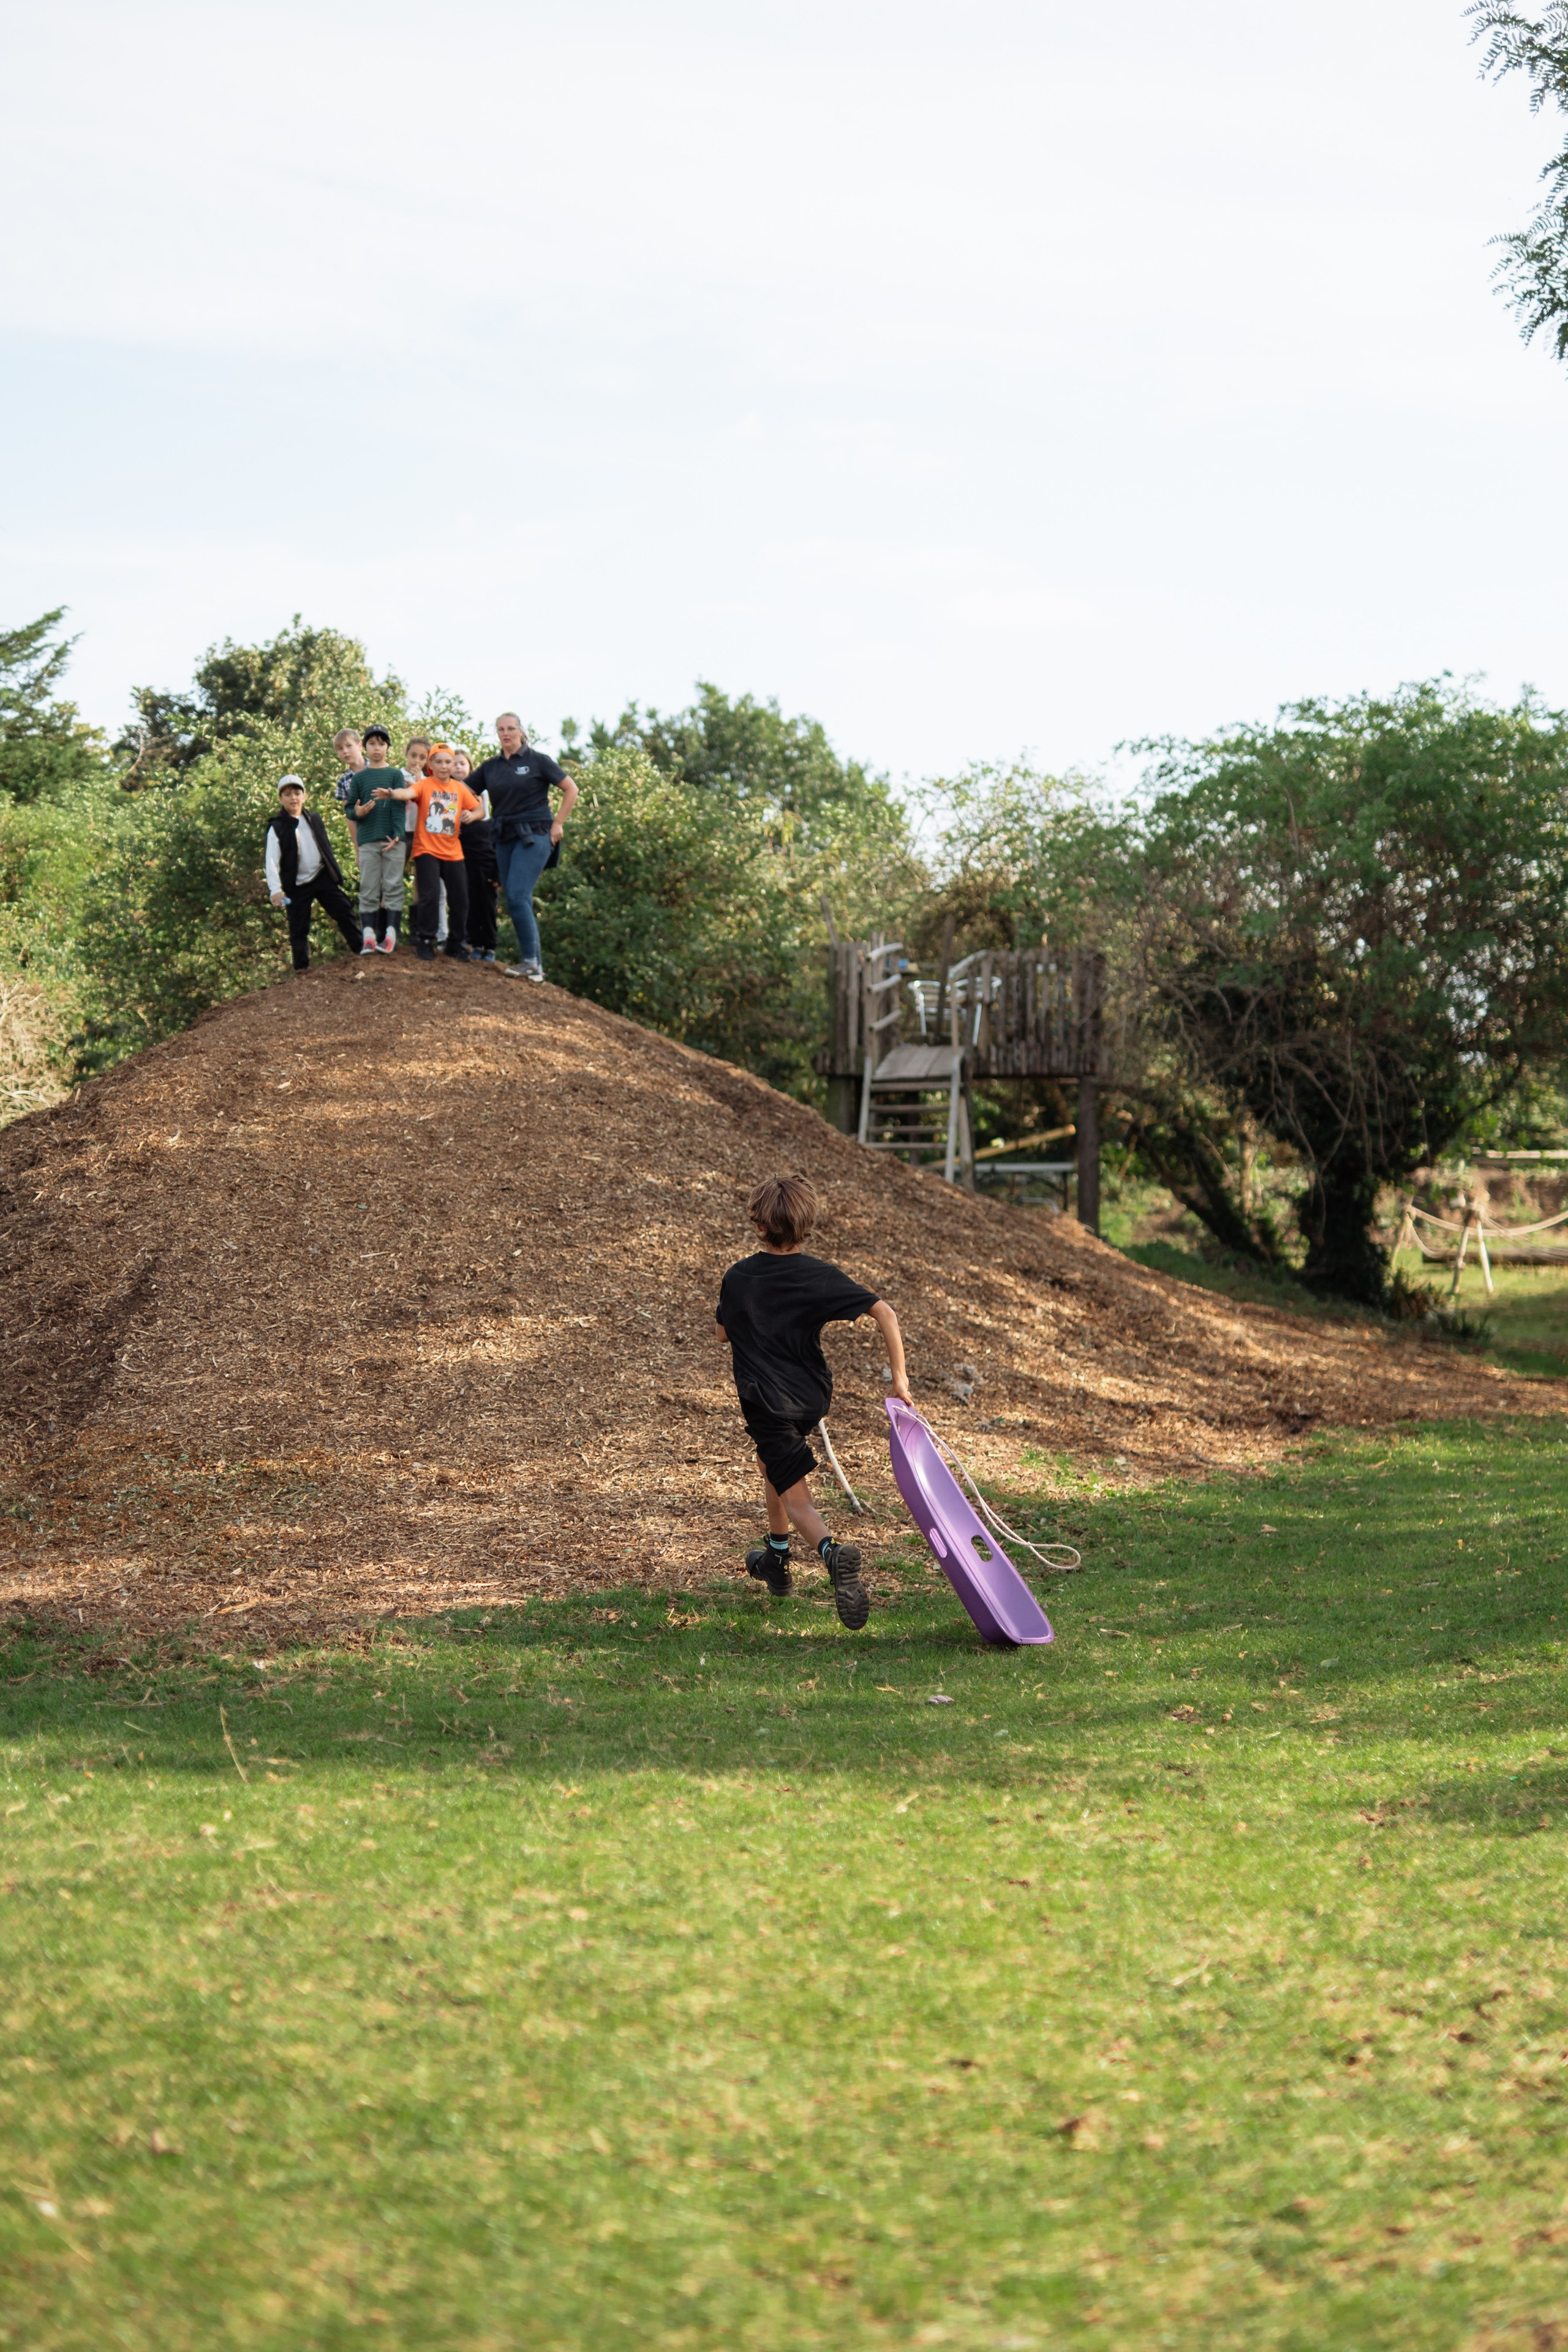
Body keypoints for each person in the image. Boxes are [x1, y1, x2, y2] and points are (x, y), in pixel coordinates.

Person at [715, 1172, 911, 1630]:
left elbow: (722, 1332)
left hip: (768, 1402)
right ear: (806, 1226)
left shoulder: (739, 1278)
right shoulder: (819, 1277)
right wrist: (900, 1380)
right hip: (811, 1396)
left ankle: (832, 1553)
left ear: (759, 1226)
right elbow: (885, 1312)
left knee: (796, 1494)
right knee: (773, 1467)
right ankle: (776, 1560)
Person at [466, 712, 578, 982]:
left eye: (511, 729)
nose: (506, 734)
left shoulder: (537, 761)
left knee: (517, 896)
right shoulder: (491, 767)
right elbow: (463, 789)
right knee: (520, 899)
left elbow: (571, 789)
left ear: (521, 731)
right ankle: (535, 965)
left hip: (536, 833)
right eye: (501, 730)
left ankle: (530, 963)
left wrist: (558, 824)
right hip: (504, 836)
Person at [385, 742, 480, 961]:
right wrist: (391, 793)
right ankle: (425, 940)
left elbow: (479, 808)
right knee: (430, 895)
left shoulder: (459, 789)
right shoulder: (426, 785)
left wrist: (472, 816)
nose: (445, 766)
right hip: (426, 848)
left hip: (453, 852)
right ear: (431, 765)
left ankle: (454, 944)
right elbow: (408, 792)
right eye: (439, 762)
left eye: (449, 762)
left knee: (460, 898)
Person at [265, 775, 362, 971]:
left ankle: (360, 949)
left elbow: (325, 848)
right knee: (298, 927)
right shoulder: (277, 827)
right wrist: (276, 890)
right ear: (280, 799)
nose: (293, 798)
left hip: (321, 875)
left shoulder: (314, 819)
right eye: (288, 794)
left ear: (304, 795)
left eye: (297, 793)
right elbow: (272, 860)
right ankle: (302, 969)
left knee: (343, 910)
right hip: (297, 884)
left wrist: (334, 872)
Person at [346, 723, 407, 953]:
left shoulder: (395, 775)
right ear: (365, 747)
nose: (377, 748)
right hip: (368, 840)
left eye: (381, 744)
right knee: (369, 888)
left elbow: (399, 808)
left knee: (393, 887)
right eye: (372, 743)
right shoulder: (359, 779)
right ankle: (369, 936)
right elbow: (351, 808)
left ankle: (391, 935)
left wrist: (399, 836)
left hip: (393, 841)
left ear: (388, 747)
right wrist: (358, 813)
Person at [455, 747, 499, 963]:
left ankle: (490, 945)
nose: (457, 767)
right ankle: (473, 942)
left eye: (462, 763)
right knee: (468, 899)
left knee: (487, 901)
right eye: (454, 763)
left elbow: (489, 827)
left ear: (470, 767)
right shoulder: (448, 791)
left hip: (484, 852)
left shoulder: (482, 792)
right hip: (461, 853)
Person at [331, 727, 366, 852]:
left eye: (349, 746)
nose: (345, 751)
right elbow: (350, 817)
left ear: (360, 746)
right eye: (340, 749)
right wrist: (358, 849)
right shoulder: (343, 782)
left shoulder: (377, 768)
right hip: (365, 836)